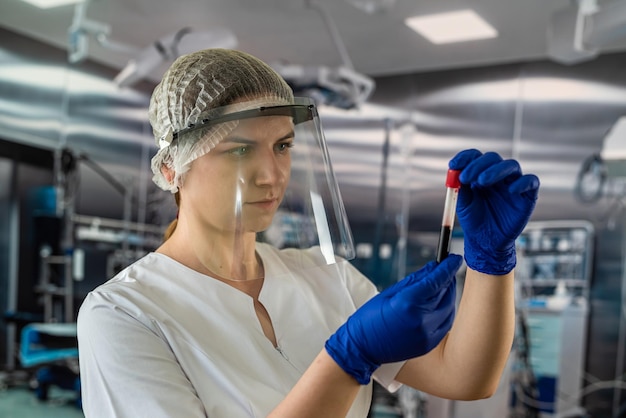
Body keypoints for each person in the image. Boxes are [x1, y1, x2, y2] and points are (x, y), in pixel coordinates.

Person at [77, 48, 540, 418]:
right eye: (240, 150)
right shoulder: (123, 312)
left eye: (282, 146)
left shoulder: (326, 277)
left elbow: (465, 378)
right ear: (172, 168)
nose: (270, 175)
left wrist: (490, 262)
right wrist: (346, 361)